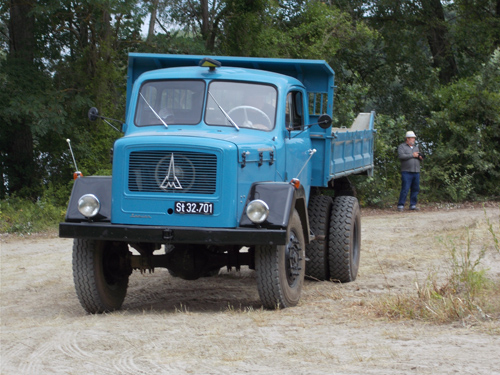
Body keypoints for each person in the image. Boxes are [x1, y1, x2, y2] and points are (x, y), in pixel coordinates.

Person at [397, 131, 423, 211]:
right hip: (406, 171)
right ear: (407, 139)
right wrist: (412, 155)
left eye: (414, 138)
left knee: (415, 189)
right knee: (405, 188)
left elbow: (418, 157)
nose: (414, 140)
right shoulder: (402, 147)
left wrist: (420, 157)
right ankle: (401, 205)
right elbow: (401, 156)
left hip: (416, 171)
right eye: (412, 138)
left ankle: (413, 205)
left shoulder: (416, 147)